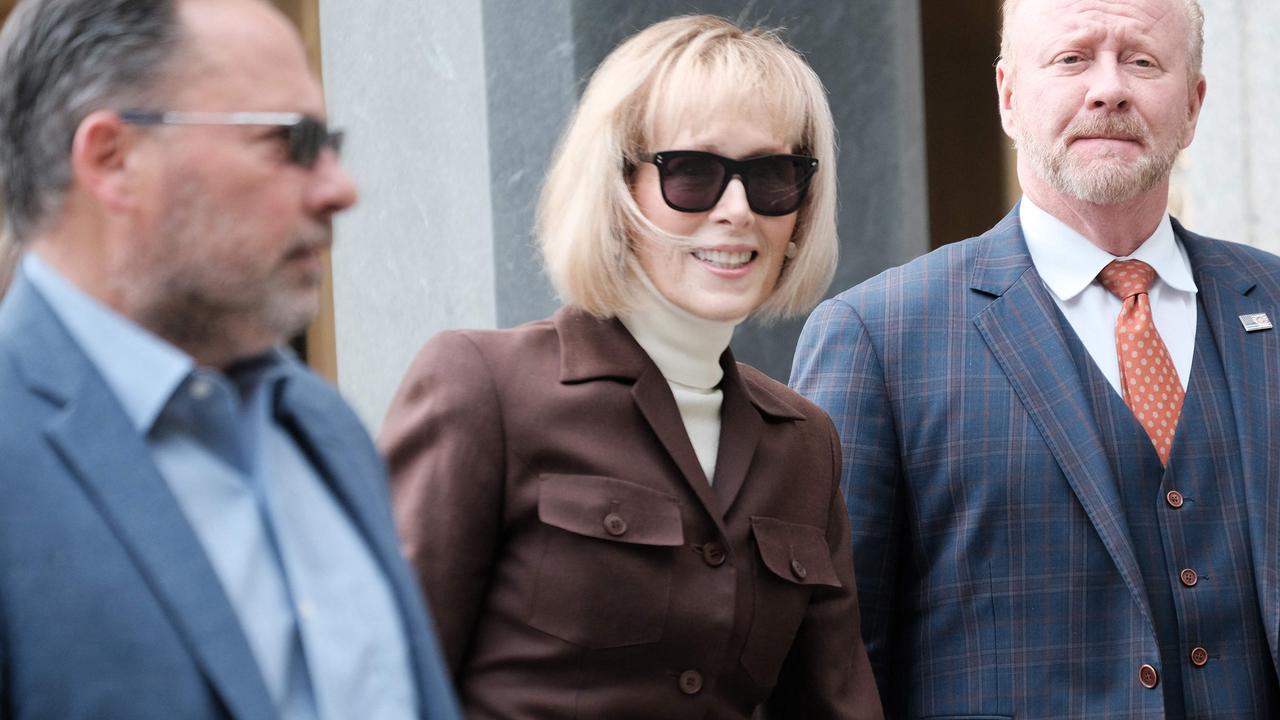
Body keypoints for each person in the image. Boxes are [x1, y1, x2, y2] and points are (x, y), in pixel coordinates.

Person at [380, 15, 883, 719]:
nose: (736, 211)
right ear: (617, 190)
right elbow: (383, 681)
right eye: (693, 173)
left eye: (772, 176)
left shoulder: (804, 443)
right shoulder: (482, 387)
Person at [792, 0, 1280, 716]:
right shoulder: (878, 337)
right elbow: (831, 668)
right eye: (1072, 58)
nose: (1108, 88)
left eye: (1142, 61)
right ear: (1009, 97)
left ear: (1195, 103)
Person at [0, 0, 459, 718]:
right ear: (113, 161)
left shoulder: (320, 425)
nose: (342, 188)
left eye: (329, 141)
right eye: (290, 142)